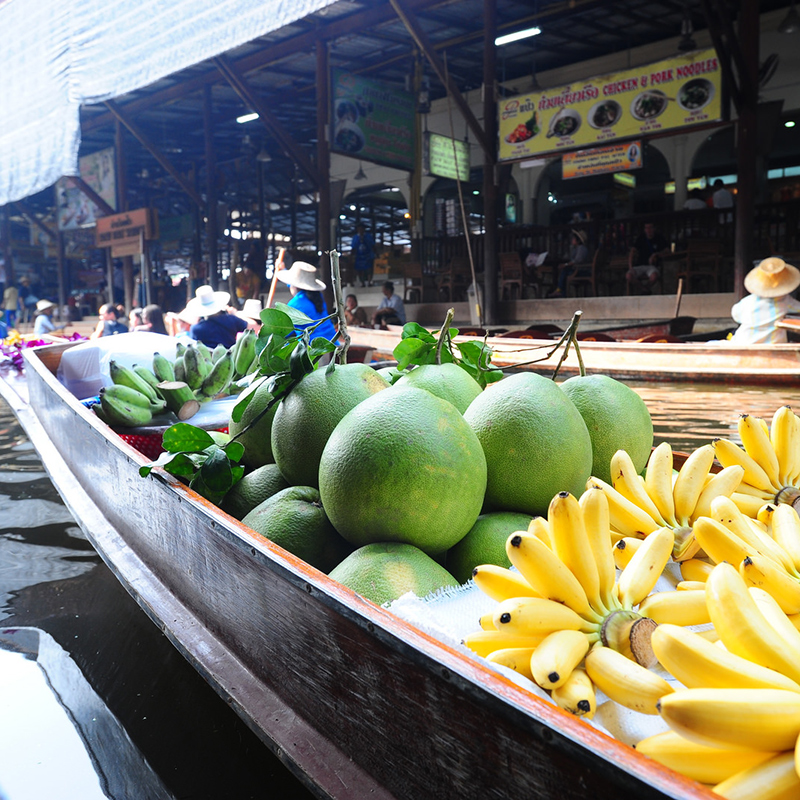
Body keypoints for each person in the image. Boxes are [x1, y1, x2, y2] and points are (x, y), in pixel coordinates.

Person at [728, 257, 800, 344]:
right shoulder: (786, 301)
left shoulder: (747, 302)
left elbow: (736, 316)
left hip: (743, 343)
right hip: (774, 346)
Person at [276, 261, 338, 341]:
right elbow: (294, 287)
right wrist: (283, 269)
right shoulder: (318, 297)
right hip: (331, 341)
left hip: (312, 347)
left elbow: (284, 332)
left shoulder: (295, 304)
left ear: (294, 286)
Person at [627, 222, 670, 294]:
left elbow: (667, 251)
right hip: (639, 265)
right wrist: (630, 267)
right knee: (629, 276)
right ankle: (645, 289)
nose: (648, 230)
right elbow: (632, 252)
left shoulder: (659, 238)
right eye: (646, 228)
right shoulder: (641, 238)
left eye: (650, 228)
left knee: (654, 276)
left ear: (654, 229)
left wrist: (656, 254)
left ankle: (645, 289)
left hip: (652, 266)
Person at [547, 230, 590, 298]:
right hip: (578, 269)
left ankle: (560, 291)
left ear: (578, 240)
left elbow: (576, 261)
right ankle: (561, 292)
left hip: (582, 271)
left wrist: (566, 265)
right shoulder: (575, 249)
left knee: (565, 270)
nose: (572, 239)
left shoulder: (582, 249)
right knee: (564, 271)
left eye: (574, 238)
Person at [350, 223, 375, 288]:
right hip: (359, 256)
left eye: (362, 229)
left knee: (369, 269)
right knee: (360, 270)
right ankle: (362, 282)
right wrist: (352, 256)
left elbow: (373, 245)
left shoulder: (368, 236)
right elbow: (353, 247)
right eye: (359, 229)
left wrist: (376, 253)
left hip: (368, 255)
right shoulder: (355, 237)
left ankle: (369, 282)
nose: (360, 230)